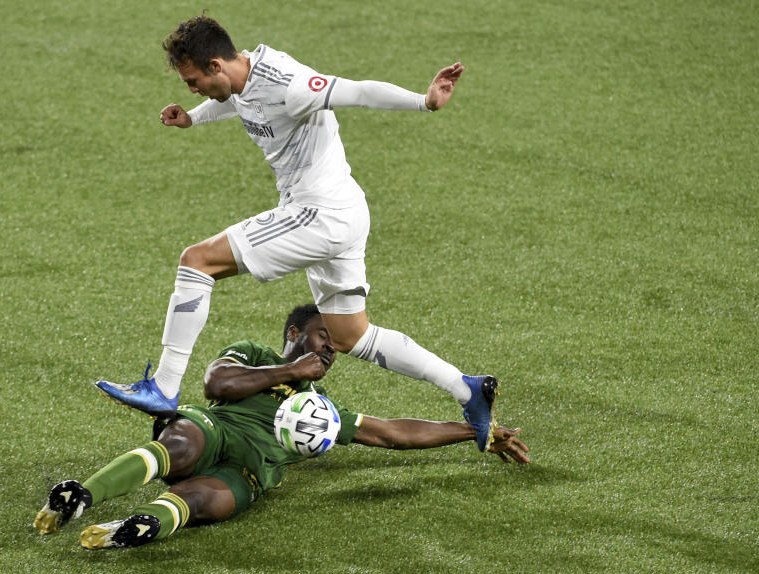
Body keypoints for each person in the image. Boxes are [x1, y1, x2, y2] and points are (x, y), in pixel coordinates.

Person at [96, 14, 500, 453]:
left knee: (197, 261)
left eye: (193, 81)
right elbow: (237, 101)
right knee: (351, 336)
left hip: (318, 212)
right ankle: (466, 389)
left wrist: (425, 101)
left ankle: (164, 385)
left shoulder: (288, 82)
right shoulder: (240, 78)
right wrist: (193, 118)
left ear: (215, 65)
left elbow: (359, 91)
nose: (191, 89)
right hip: (342, 210)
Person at [39, 304, 530, 549]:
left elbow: (389, 432)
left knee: (207, 500)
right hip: (218, 427)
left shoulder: (322, 410)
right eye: (323, 336)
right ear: (294, 334)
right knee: (183, 441)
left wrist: (475, 434)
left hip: (254, 469)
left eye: (335, 345)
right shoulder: (258, 356)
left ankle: (138, 526)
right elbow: (217, 384)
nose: (331, 348)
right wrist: (292, 373)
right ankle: (82, 495)